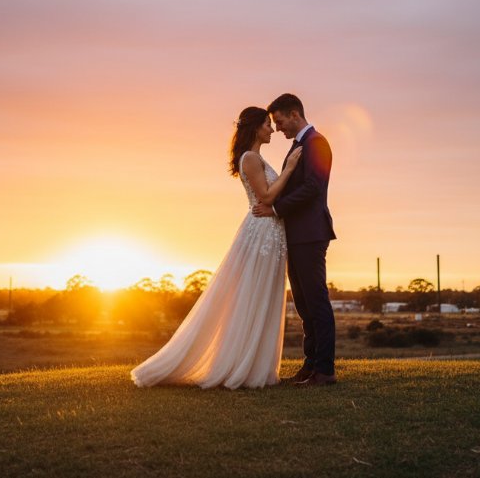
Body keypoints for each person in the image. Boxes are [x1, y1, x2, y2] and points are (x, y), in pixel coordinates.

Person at [130, 106, 302, 389]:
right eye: (268, 125)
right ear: (256, 128)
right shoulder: (250, 158)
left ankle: (257, 366)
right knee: (252, 295)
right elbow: (267, 196)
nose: (272, 130)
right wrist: (291, 168)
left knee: (264, 296)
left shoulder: (257, 158)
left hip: (272, 232)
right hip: (261, 233)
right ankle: (240, 364)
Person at [252, 93, 337, 387]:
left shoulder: (317, 143)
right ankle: (310, 366)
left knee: (316, 301)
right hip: (297, 234)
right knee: (303, 304)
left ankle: (325, 370)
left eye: (280, 121)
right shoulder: (299, 146)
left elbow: (313, 187)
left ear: (294, 114)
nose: (278, 128)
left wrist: (275, 208)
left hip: (311, 234)